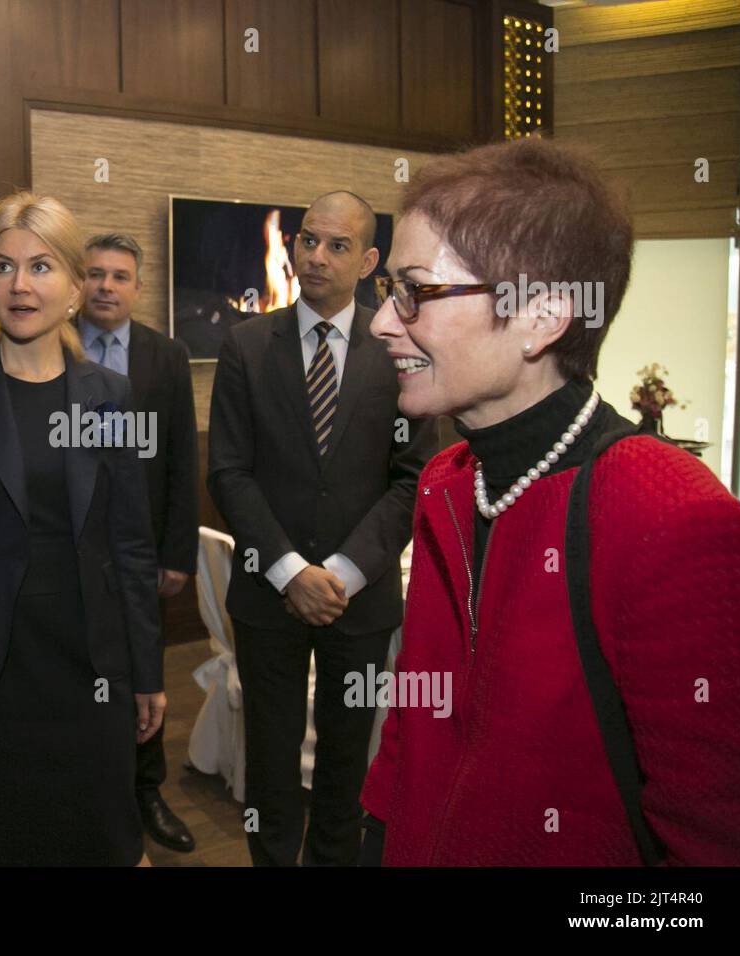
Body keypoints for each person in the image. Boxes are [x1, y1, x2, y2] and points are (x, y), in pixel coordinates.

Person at [361, 137, 740, 865]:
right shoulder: (448, 479)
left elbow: (718, 838)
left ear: (542, 315)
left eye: (415, 289)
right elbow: (414, 726)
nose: (384, 321)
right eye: (390, 291)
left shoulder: (669, 516)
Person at [0, 193, 165, 866]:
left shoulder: (110, 396)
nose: (20, 284)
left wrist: (146, 670)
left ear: (76, 288)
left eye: (41, 266)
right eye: (3, 265)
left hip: (91, 669)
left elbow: (132, 542)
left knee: (98, 842)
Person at [207, 191, 435, 866]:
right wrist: (290, 572)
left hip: (357, 603)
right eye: (307, 240)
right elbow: (229, 473)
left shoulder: (400, 347)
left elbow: (412, 477)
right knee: (270, 771)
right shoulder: (246, 345)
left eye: (337, 246)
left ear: (368, 261)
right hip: (267, 599)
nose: (315, 256)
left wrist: (337, 574)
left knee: (344, 767)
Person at [77, 233, 199, 853]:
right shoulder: (55, 340)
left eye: (119, 276)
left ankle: (146, 788)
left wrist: (177, 554)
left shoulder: (165, 355)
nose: (106, 286)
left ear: (137, 286)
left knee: (141, 669)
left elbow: (182, 457)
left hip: (142, 550)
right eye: (95, 273)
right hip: (69, 548)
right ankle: (86, 792)